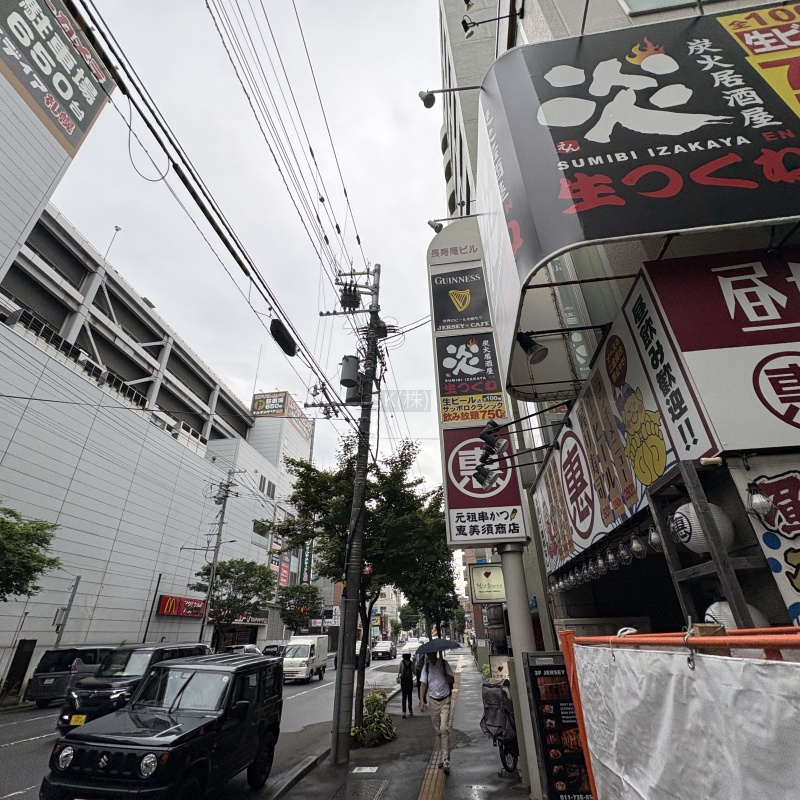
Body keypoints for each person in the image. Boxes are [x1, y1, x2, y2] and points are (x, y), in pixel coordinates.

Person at [419, 651, 455, 775]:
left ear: (436, 653)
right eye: (429, 654)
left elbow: (452, 680)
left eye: (432, 654)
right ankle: (441, 756)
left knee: (444, 729)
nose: (431, 656)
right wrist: (421, 700)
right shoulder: (426, 667)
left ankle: (445, 759)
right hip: (433, 701)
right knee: (437, 731)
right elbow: (423, 684)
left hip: (445, 700)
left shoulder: (444, 664)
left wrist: (444, 673)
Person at [397, 652, 415, 718]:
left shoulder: (401, 663)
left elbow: (399, 672)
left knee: (404, 697)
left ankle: (404, 712)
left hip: (403, 681)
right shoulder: (411, 663)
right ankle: (410, 710)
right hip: (410, 681)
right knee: (410, 696)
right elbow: (414, 672)